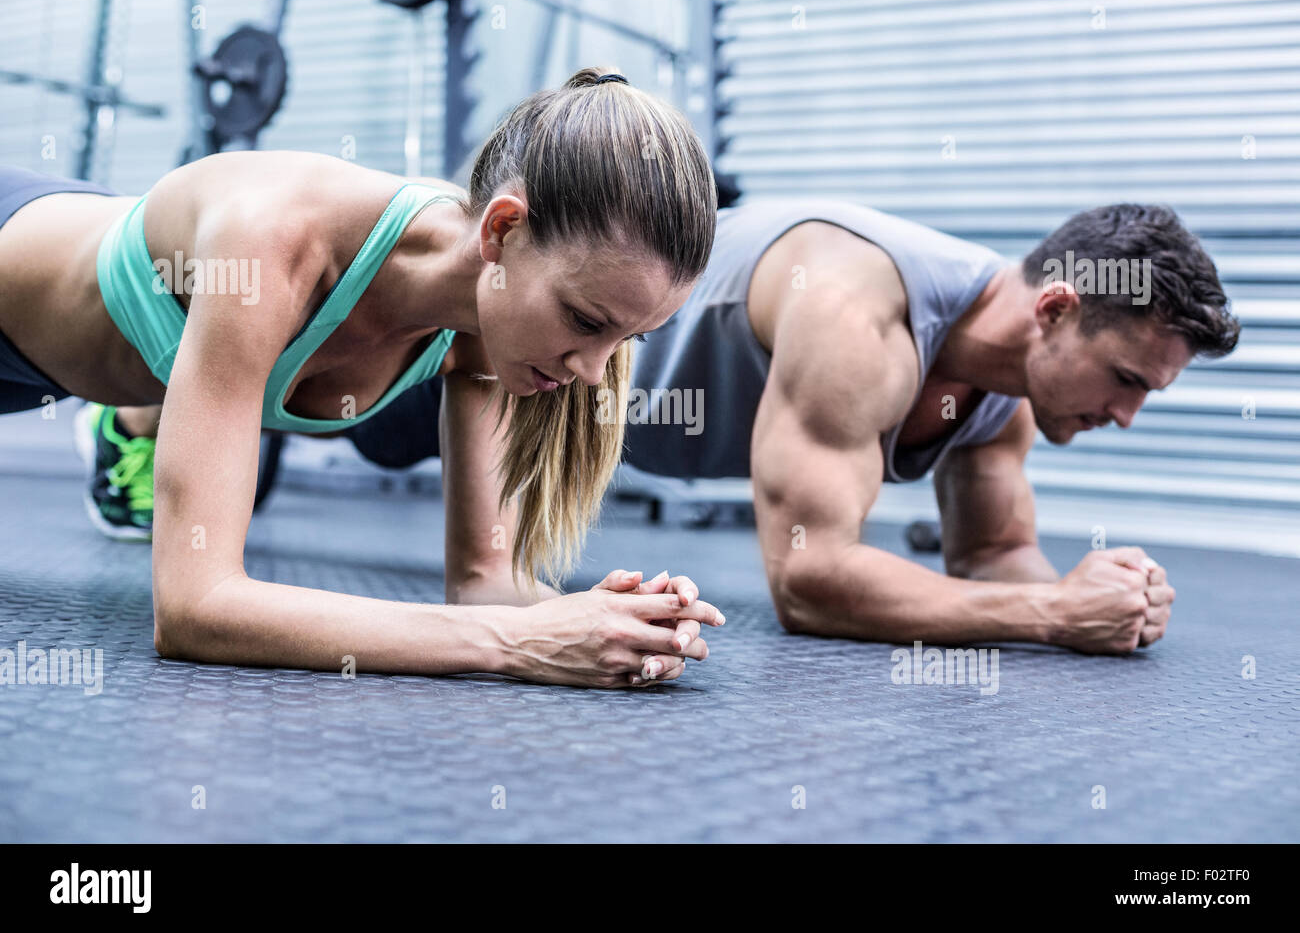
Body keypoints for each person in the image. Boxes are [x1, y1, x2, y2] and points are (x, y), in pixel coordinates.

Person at [0, 67, 724, 688]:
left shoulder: (486, 331)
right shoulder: (271, 241)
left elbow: (483, 584)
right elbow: (196, 607)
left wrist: (611, 620)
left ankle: (131, 417)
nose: (596, 375)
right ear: (501, 230)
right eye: (586, 321)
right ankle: (127, 428)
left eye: (631, 338)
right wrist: (518, 644)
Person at [347, 199, 1240, 655]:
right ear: (1055, 307)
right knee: (351, 406)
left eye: (1146, 395)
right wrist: (1052, 613)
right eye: (1126, 379)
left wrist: (1102, 598)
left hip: (607, 427)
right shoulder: (858, 310)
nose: (1125, 416)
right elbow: (811, 583)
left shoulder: (1010, 388)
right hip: (534, 368)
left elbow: (995, 556)